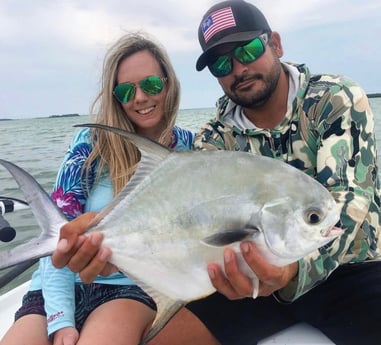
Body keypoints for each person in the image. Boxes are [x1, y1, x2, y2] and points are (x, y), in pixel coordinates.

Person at [51, 1, 381, 345]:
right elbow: (186, 217)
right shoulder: (214, 137)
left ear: (276, 44)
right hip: (251, 281)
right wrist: (106, 238)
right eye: (221, 63)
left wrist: (290, 270)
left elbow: (350, 201)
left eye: (249, 49)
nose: (238, 68)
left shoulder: (333, 98)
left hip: (350, 272)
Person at [0, 31, 194, 345]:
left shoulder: (190, 151)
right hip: (56, 287)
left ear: (169, 83)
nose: (141, 98)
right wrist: (61, 319)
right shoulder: (89, 147)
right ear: (115, 97)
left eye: (152, 84)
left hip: (128, 288)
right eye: (126, 91)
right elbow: (59, 240)